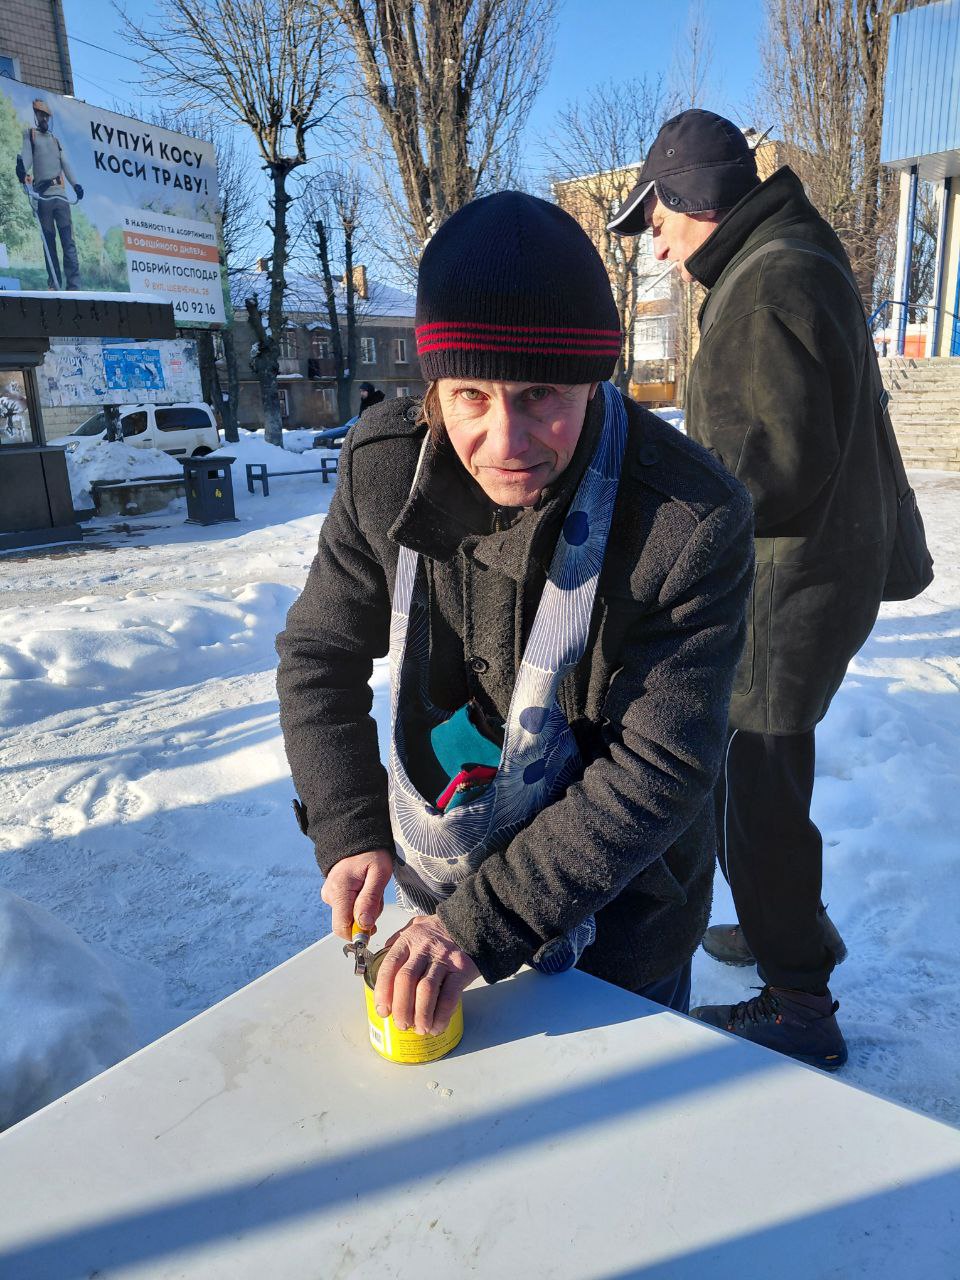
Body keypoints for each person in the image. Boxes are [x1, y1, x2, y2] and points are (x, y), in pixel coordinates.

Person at [277, 191, 753, 1038]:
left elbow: (660, 766)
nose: (506, 441)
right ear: (433, 385)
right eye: (470, 394)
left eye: (541, 393)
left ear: (595, 378)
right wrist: (348, 824)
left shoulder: (687, 518)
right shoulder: (383, 466)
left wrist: (474, 928)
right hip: (441, 896)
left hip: (622, 918)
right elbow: (320, 652)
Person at [609, 109, 897, 1069]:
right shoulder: (784, 258)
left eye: (656, 217)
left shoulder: (767, 282)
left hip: (783, 582)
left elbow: (762, 471)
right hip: (816, 567)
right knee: (761, 778)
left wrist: (661, 516)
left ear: (692, 197)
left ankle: (798, 1001)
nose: (654, 241)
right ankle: (791, 927)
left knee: (751, 790)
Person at [17, 98, 83, 291]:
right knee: (48, 242)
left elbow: (66, 164)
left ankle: (74, 286)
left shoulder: (55, 141)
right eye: (41, 115)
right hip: (43, 197)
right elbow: (27, 157)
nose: (44, 118)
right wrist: (22, 170)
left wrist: (76, 185)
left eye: (46, 116)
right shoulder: (31, 136)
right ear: (36, 116)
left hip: (60, 197)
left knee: (68, 242)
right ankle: (54, 284)